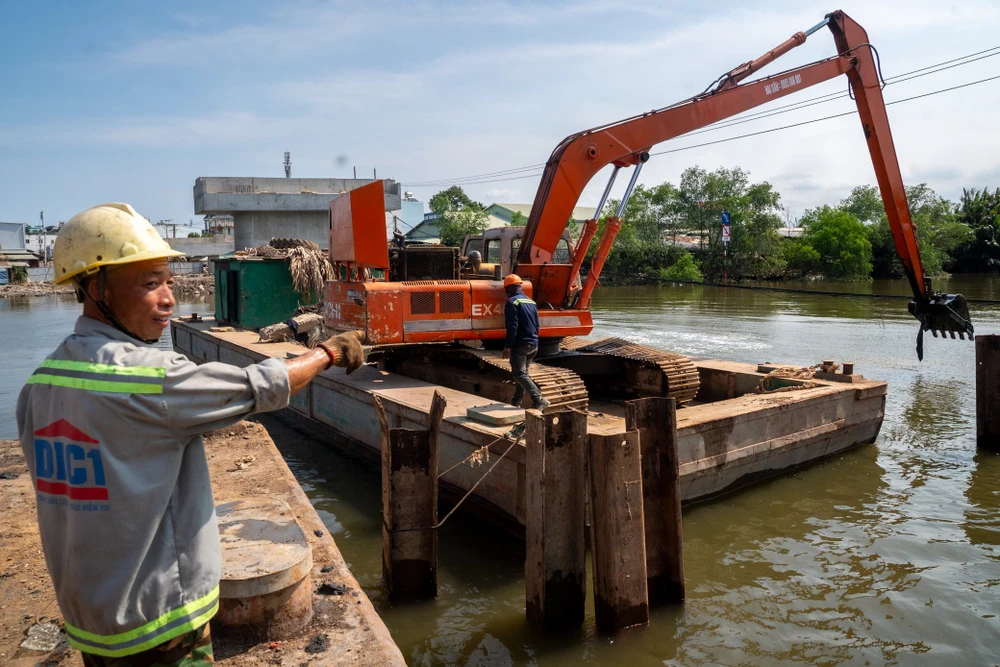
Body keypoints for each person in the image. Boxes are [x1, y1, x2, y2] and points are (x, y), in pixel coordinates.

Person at [16, 202, 366, 667]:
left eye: (169, 282)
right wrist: (328, 353)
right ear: (96, 287)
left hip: (91, 621)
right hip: (159, 624)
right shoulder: (151, 378)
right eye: (149, 284)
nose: (169, 300)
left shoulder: (40, 385)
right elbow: (260, 385)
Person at [501, 274, 550, 411]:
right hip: (533, 343)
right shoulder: (531, 302)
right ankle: (516, 402)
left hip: (520, 344)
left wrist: (507, 346)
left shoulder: (512, 302)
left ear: (508, 289)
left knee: (519, 374)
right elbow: (537, 324)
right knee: (523, 374)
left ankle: (539, 399)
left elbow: (512, 327)